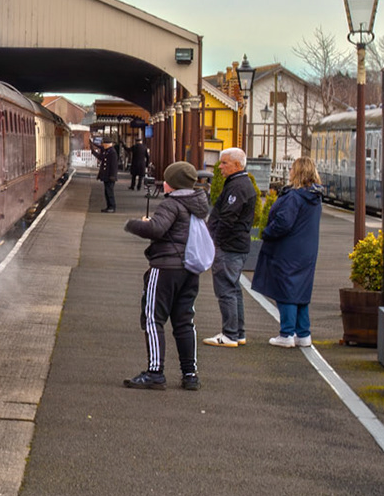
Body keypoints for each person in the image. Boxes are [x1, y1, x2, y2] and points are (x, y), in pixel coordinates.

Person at [122, 161, 210, 390]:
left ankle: (155, 372)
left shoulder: (172, 204)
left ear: (173, 184)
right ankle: (190, 374)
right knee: (184, 321)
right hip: (189, 270)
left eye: (167, 179)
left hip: (165, 268)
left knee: (153, 319)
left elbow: (156, 229)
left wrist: (134, 224)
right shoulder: (198, 203)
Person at [251, 157, 323, 347]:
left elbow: (283, 223)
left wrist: (267, 232)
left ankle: (286, 334)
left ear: (297, 172)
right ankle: (303, 334)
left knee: (285, 291)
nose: (289, 171)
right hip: (307, 251)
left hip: (287, 249)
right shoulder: (314, 197)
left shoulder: (294, 197)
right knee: (300, 292)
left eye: (292, 169)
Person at [203, 148, 256, 348]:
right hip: (238, 244)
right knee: (233, 289)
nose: (220, 166)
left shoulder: (237, 187)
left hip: (229, 246)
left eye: (224, 163)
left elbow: (228, 218)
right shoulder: (241, 184)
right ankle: (238, 332)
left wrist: (214, 240)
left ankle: (229, 334)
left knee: (225, 289)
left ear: (237, 165)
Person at [96, 137, 120, 212]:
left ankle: (112, 207)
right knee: (107, 192)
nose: (103, 145)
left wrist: (112, 175)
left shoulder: (112, 152)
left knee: (109, 192)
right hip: (106, 176)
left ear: (107, 144)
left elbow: (113, 165)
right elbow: (101, 157)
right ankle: (109, 206)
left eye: (104, 144)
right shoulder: (108, 151)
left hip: (110, 176)